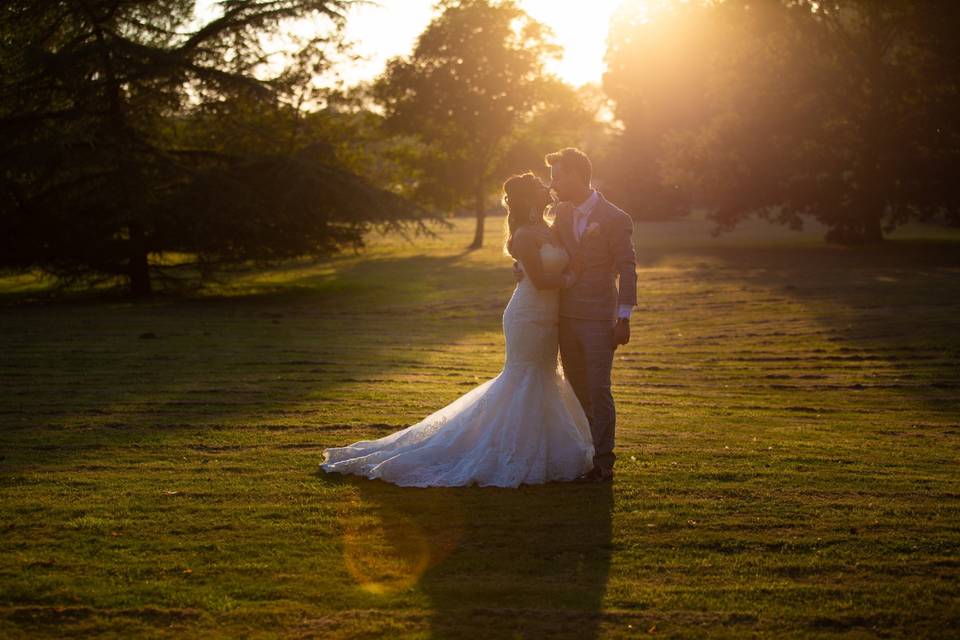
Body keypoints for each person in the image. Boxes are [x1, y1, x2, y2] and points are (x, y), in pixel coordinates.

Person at [319, 172, 594, 487]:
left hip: (550, 317)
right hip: (527, 316)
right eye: (541, 187)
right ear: (531, 198)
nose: (549, 189)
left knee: (544, 377)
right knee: (524, 378)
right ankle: (504, 451)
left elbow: (557, 263)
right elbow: (543, 281)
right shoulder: (524, 236)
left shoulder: (549, 227)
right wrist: (573, 278)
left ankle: (547, 451)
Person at [517, 148, 637, 483]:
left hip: (600, 318)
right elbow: (546, 249)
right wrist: (523, 267)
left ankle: (604, 461)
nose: (553, 184)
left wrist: (623, 317)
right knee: (576, 389)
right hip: (565, 317)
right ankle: (585, 455)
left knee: (599, 390)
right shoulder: (564, 213)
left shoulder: (615, 218)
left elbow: (628, 269)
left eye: (557, 176)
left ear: (573, 174)